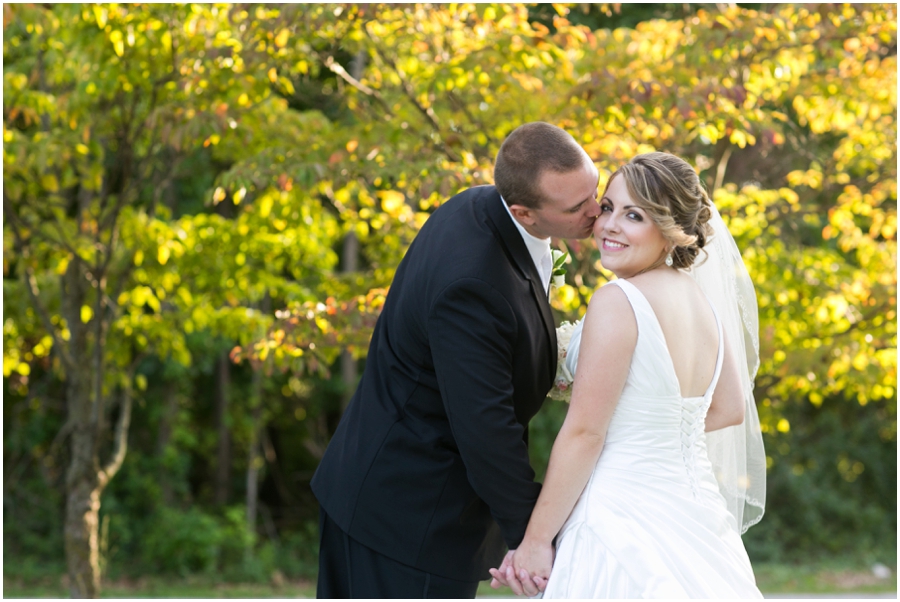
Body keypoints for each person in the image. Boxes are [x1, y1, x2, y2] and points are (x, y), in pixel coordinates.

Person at [310, 122, 602, 598]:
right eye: (576, 207)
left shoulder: (480, 204)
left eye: (595, 189)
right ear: (524, 212)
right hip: (406, 518)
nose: (597, 211)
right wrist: (533, 538)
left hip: (392, 496)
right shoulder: (474, 284)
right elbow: (485, 427)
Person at [490, 152, 766, 597]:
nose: (609, 225)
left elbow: (585, 434)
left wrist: (535, 542)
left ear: (671, 229)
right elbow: (729, 408)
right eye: (608, 208)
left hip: (620, 517)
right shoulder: (703, 303)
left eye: (634, 215)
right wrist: (648, 425)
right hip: (696, 518)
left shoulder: (619, 300)